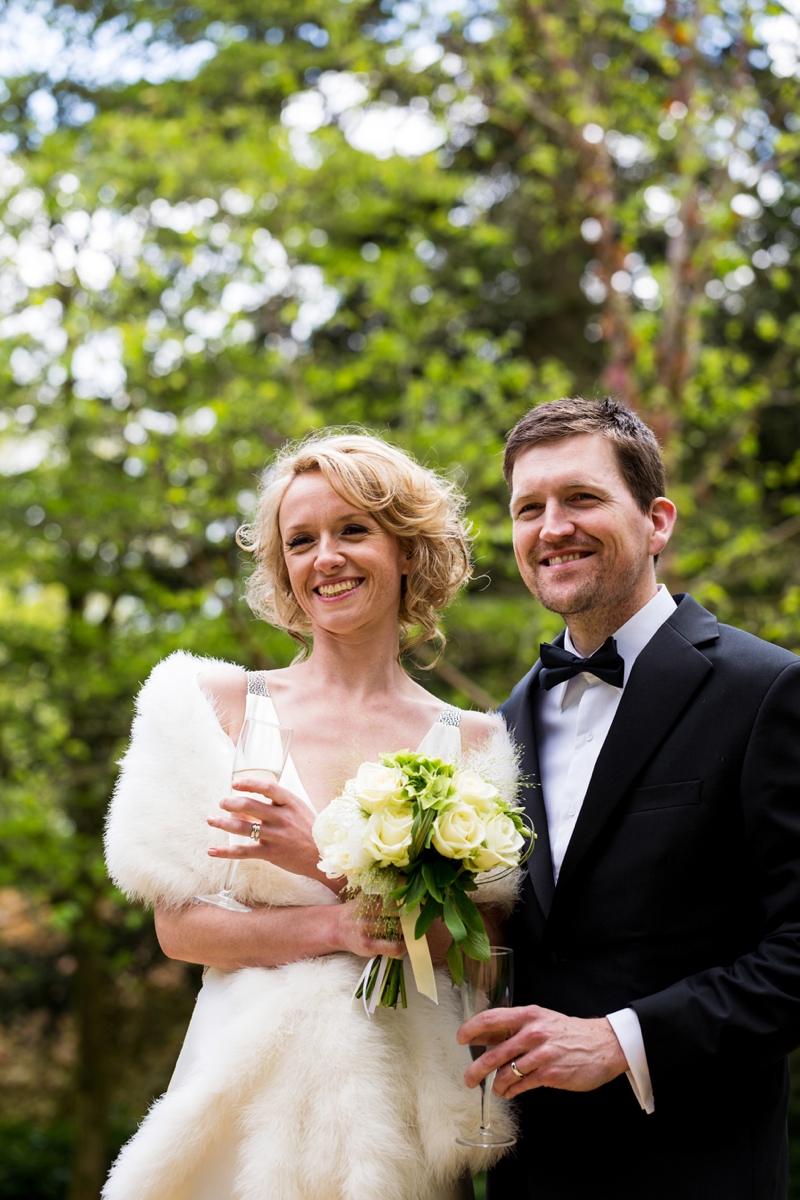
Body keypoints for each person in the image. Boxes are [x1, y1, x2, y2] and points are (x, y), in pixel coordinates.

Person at [102, 432, 519, 1200]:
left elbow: (482, 950)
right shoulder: (214, 710)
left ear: (406, 550)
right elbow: (180, 928)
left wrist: (322, 866)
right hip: (245, 1107)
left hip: (401, 1122)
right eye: (301, 540)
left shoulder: (475, 742)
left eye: (353, 530)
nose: (325, 557)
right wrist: (335, 927)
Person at [459, 397, 800, 1200]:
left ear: (657, 521)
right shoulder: (500, 726)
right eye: (528, 509)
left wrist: (622, 1041)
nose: (551, 528)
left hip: (697, 1168)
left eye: (581, 498)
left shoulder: (767, 690)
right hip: (528, 1171)